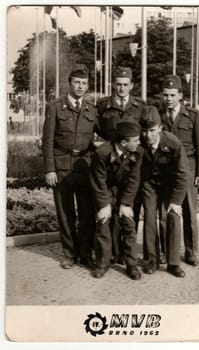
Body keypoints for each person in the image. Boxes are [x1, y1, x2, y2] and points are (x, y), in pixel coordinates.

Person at [42, 64, 99, 269]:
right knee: (65, 213)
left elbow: (102, 135)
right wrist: (50, 169)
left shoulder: (91, 109)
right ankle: (69, 254)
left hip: (84, 167)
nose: (80, 86)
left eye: (84, 83)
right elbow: (47, 140)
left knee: (86, 212)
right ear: (69, 83)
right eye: (77, 82)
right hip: (62, 167)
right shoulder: (55, 107)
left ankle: (85, 253)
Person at [97, 66, 145, 260]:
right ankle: (113, 254)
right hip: (111, 164)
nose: (121, 88)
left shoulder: (140, 106)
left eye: (125, 84)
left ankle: (128, 254)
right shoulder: (103, 106)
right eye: (118, 84)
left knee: (129, 210)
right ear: (113, 85)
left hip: (132, 164)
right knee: (111, 212)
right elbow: (98, 129)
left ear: (131, 85)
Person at [159, 75, 199, 266]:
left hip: (188, 170)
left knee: (188, 212)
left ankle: (190, 251)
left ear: (180, 95)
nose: (168, 99)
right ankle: (165, 251)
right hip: (165, 171)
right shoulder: (159, 116)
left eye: (172, 95)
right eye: (165, 95)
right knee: (164, 214)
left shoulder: (192, 116)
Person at [90, 121, 143, 280]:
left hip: (123, 191)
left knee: (128, 223)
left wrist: (125, 204)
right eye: (136, 140)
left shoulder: (137, 152)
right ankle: (102, 264)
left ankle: (131, 264)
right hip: (104, 189)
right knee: (103, 222)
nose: (139, 142)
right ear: (124, 142)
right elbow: (98, 181)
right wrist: (104, 205)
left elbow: (134, 180)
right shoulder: (102, 152)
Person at [140, 106, 188, 277]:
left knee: (171, 217)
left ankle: (173, 262)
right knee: (150, 219)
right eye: (145, 131)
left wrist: (175, 202)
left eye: (152, 130)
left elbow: (183, 174)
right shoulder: (138, 142)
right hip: (149, 184)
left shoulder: (173, 143)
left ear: (160, 128)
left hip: (169, 185)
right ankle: (152, 260)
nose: (148, 136)